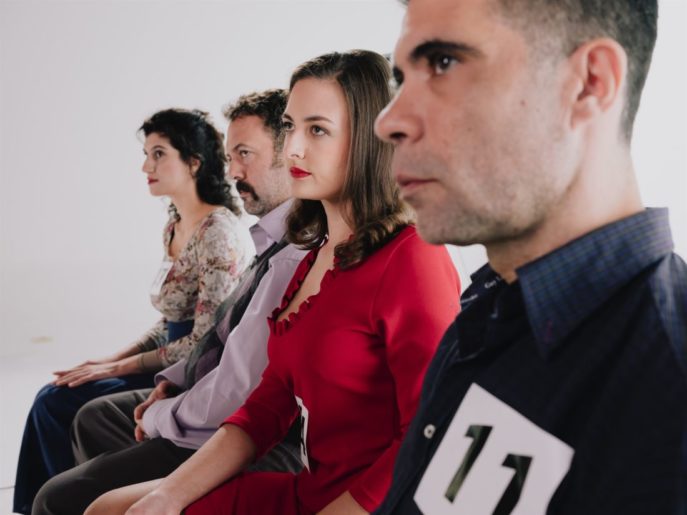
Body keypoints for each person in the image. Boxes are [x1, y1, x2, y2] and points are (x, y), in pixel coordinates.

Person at [85, 49, 461, 515]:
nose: (292, 149)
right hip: (311, 489)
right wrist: (167, 496)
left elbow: (432, 430)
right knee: (109, 508)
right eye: (289, 126)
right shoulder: (313, 257)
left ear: (370, 139)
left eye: (317, 130)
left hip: (369, 504)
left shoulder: (412, 257)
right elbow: (266, 406)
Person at [373, 0, 687, 513]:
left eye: (444, 62)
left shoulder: (668, 398)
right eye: (401, 78)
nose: (389, 121)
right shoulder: (491, 305)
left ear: (589, 83)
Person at [31, 89, 308, 515]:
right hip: (192, 374)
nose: (146, 167)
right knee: (79, 408)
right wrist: (121, 364)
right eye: (230, 156)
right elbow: (187, 329)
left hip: (231, 413)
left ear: (193, 163)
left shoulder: (235, 237)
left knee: (60, 419)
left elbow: (232, 372)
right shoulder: (192, 229)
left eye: (158, 154)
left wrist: (157, 401)